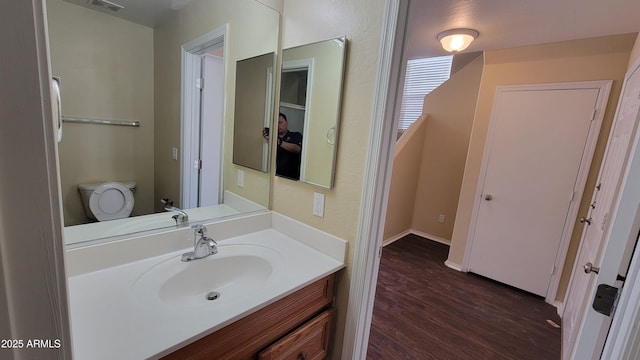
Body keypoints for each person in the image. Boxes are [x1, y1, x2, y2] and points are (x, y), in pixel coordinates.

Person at [263, 113, 302, 180]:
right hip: (275, 177)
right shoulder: (272, 138)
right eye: (276, 123)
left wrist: (279, 142)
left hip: (292, 179)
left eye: (280, 122)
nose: (278, 125)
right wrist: (267, 139)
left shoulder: (296, 135)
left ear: (286, 123)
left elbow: (297, 149)